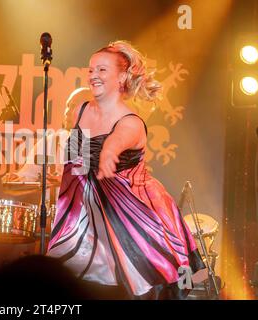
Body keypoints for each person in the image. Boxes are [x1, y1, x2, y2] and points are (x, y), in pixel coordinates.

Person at [46, 41, 205, 299]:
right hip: (85, 212)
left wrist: (108, 152)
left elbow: (116, 141)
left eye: (102, 70)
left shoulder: (131, 123)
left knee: (135, 284)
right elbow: (77, 160)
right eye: (91, 70)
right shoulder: (81, 111)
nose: (93, 75)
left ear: (121, 78)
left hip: (128, 216)